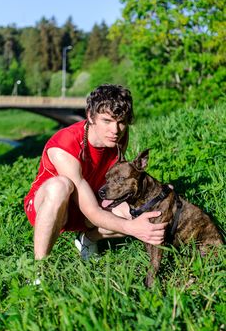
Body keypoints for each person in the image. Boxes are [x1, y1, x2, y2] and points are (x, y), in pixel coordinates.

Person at [24, 84, 167, 260]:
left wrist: (159, 192)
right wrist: (132, 229)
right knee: (60, 186)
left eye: (121, 122)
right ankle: (39, 269)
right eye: (106, 121)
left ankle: (87, 239)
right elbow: (91, 210)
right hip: (53, 206)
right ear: (91, 117)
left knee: (131, 212)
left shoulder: (118, 136)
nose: (115, 130)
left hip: (88, 197)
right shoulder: (65, 145)